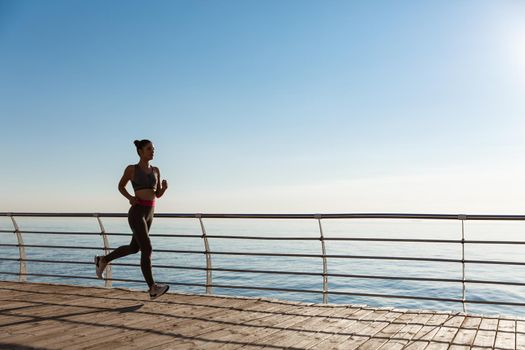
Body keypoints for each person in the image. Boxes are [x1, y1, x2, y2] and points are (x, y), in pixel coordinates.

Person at [94, 139, 169, 300]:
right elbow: (120, 186)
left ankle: (103, 259)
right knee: (147, 248)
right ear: (140, 151)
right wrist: (130, 198)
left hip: (150, 213)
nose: (153, 151)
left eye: (153, 149)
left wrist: (163, 189)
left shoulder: (156, 170)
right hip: (137, 212)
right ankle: (153, 288)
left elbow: (156, 195)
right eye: (149, 149)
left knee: (134, 248)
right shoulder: (132, 169)